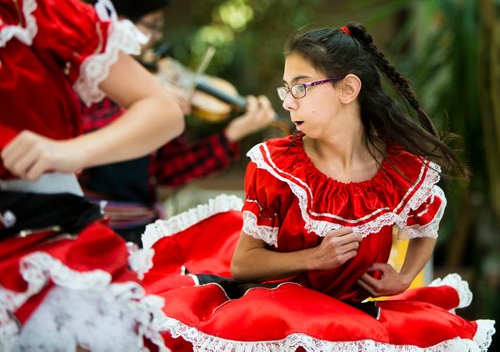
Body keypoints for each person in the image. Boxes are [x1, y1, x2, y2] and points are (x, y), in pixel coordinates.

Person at [139, 22, 496, 350]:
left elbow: (424, 228)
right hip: (275, 316)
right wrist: (315, 258)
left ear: (348, 89)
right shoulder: (277, 166)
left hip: (352, 321)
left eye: (301, 87)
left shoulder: (401, 169)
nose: (288, 101)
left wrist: (403, 278)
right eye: (286, 89)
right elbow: (243, 265)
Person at [0, 0, 185, 350]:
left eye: (156, 29)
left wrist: (67, 151)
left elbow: (168, 149)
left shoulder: (26, 1)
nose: (151, 40)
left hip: (44, 227)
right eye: (149, 26)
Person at [78, 0, 277, 245]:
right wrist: (147, 107)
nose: (158, 36)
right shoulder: (79, 81)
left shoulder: (152, 82)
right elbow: (76, 142)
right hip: (87, 227)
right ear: (120, 23)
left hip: (142, 229)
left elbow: (169, 169)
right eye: (152, 25)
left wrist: (232, 134)